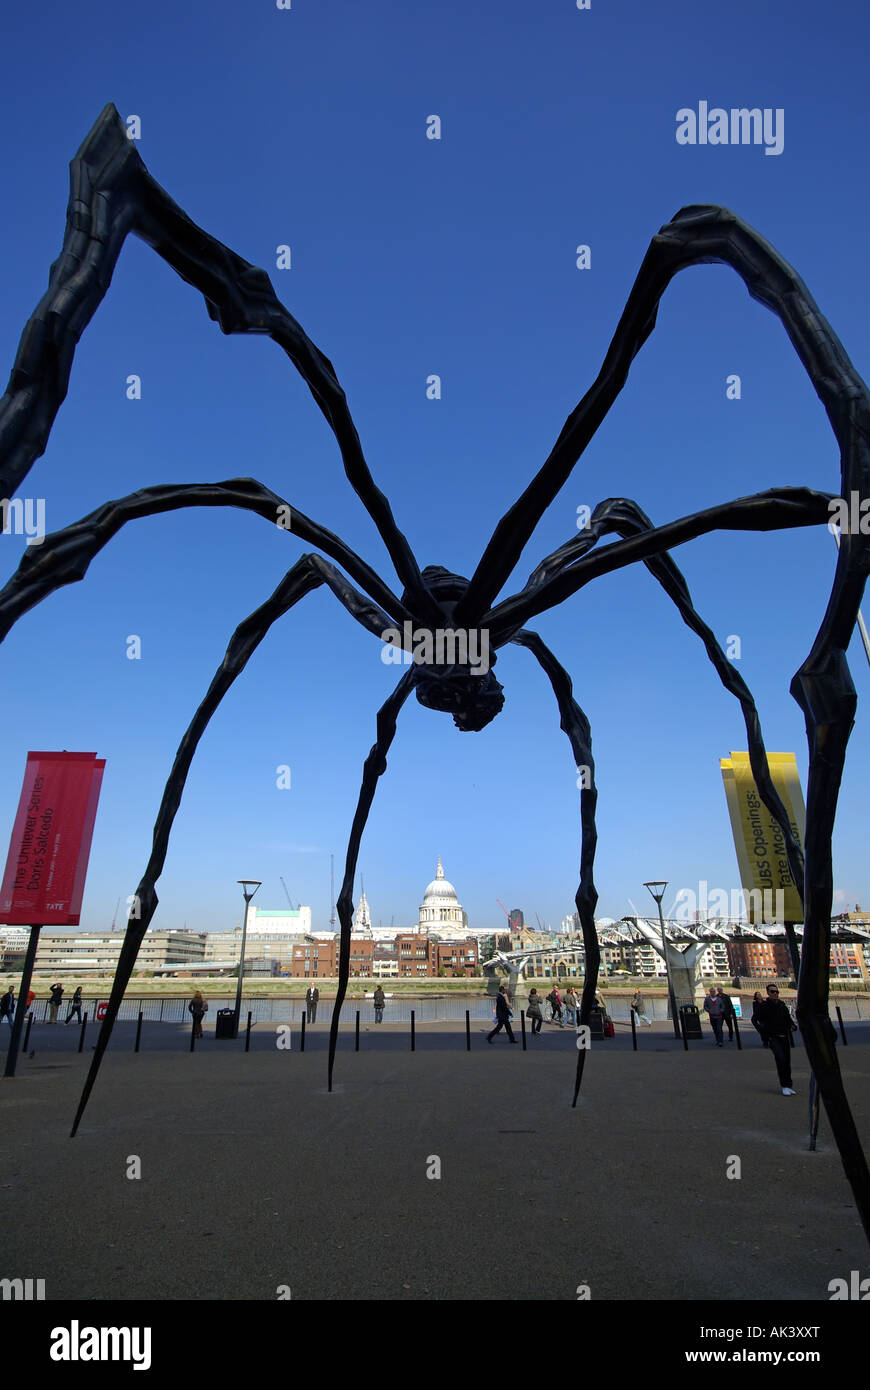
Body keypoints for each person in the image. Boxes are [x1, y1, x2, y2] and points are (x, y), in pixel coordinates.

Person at [753, 984, 798, 1094]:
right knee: (780, 1059)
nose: (775, 994)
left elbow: (788, 1019)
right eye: (772, 992)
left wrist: (793, 1026)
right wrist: (762, 1032)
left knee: (787, 1061)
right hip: (773, 1037)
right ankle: (784, 1086)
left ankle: (788, 1085)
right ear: (768, 993)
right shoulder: (764, 1006)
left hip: (784, 1036)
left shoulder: (782, 1005)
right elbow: (754, 1019)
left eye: (777, 992)